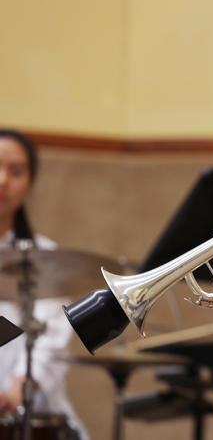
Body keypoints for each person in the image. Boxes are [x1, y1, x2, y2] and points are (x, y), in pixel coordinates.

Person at [0, 130, 88, 439]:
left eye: (16, 171)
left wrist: (22, 384)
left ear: (30, 182)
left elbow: (52, 335)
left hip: (33, 411)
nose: (2, 180)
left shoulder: (45, 258)